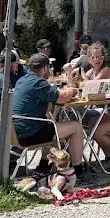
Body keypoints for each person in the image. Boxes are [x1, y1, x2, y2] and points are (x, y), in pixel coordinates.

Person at [11, 53, 92, 184]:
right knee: (76, 127)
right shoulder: (39, 83)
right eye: (49, 66)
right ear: (44, 68)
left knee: (53, 125)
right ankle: (79, 170)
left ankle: (44, 167)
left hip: (17, 131)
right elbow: (63, 97)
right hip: (31, 133)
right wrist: (72, 89)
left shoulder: (22, 80)